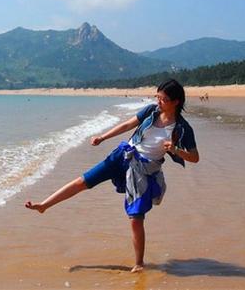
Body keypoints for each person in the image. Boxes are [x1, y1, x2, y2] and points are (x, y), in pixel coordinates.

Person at [25, 79, 200, 273]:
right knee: (83, 181)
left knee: (136, 217)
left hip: (143, 170)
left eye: (163, 99)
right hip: (122, 155)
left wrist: (176, 149)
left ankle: (139, 263)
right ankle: (44, 205)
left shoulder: (182, 128)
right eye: (157, 97)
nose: (158, 102)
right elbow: (127, 125)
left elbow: (194, 157)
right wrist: (103, 137)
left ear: (176, 101)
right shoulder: (151, 111)